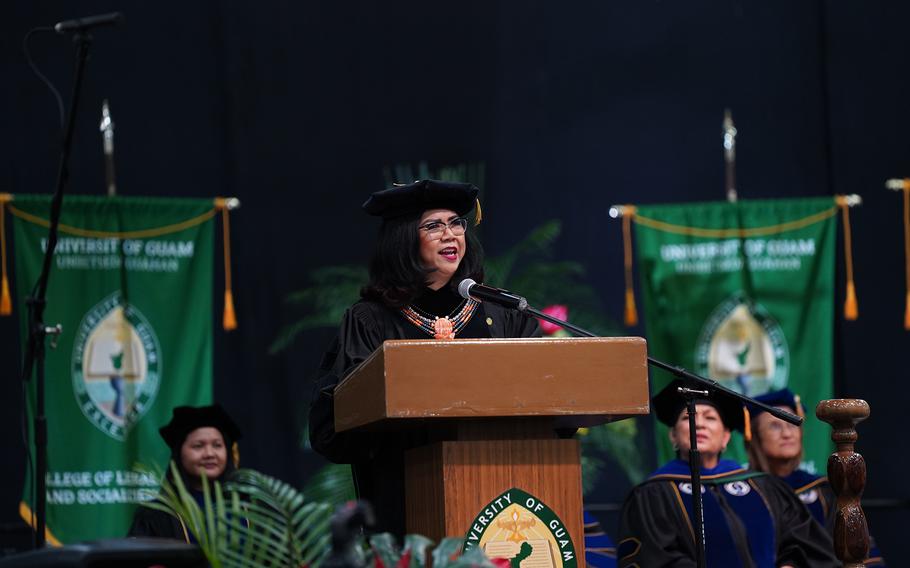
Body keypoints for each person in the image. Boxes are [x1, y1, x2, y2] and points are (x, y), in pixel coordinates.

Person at [308, 180, 541, 536]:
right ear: (403, 239)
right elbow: (334, 424)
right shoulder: (371, 320)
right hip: (406, 498)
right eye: (434, 226)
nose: (451, 235)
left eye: (456, 223)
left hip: (500, 495)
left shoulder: (503, 312)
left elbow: (549, 391)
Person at [617, 379, 837, 567]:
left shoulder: (764, 487)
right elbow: (653, 558)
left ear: (726, 438)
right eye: (687, 418)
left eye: (710, 418)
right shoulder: (654, 495)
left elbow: (801, 542)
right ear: (673, 437)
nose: (699, 424)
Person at [747, 389, 885, 566]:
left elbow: (861, 549)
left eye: (791, 424)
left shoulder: (824, 488)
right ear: (754, 437)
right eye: (775, 426)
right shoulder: (749, 492)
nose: (787, 434)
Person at [128, 404, 242, 542]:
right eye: (198, 446)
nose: (210, 454)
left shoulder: (247, 508)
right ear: (179, 454)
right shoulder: (157, 513)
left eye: (217, 445)